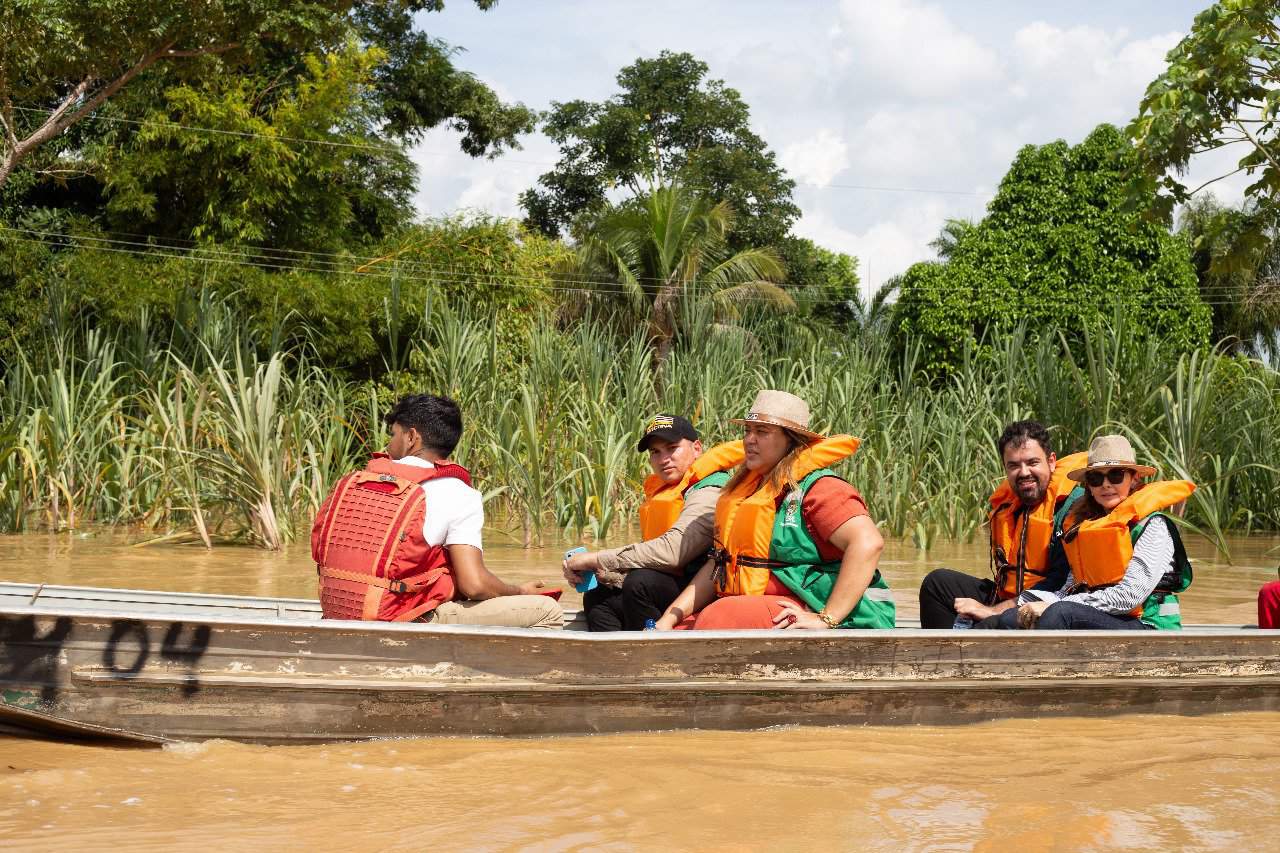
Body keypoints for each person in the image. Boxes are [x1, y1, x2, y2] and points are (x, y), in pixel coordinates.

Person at [311, 394, 562, 628]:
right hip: (400, 619)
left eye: (393, 434)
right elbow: (473, 584)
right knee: (548, 610)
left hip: (337, 611)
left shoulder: (354, 482)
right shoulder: (458, 493)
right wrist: (519, 591)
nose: (389, 444)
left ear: (411, 437)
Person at [653, 390, 894, 630]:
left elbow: (868, 544)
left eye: (762, 432)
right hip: (755, 603)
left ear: (792, 439)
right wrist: (670, 618)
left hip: (818, 608)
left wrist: (826, 618)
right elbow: (719, 565)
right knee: (676, 631)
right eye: (747, 430)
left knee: (720, 616)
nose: (749, 440)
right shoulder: (745, 490)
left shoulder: (822, 488)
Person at [563, 414, 744, 631]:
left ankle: (653, 658)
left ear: (696, 448)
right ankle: (614, 660)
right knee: (600, 592)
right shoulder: (668, 491)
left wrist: (596, 559)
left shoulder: (710, 491)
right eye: (655, 452)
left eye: (672, 448)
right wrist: (606, 573)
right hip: (672, 583)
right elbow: (651, 558)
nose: (663, 459)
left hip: (704, 589)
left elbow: (673, 552)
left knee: (640, 583)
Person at [1003, 434, 1194, 631]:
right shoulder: (1086, 529)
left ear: (1134, 479)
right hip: (1102, 616)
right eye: (1096, 478)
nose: (1106, 484)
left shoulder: (1153, 526)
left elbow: (1129, 596)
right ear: (1089, 486)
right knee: (1010, 618)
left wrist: (1053, 606)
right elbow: (1067, 591)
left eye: (1116, 475)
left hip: (1148, 625)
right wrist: (1024, 602)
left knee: (1059, 613)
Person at [917, 420, 1086, 629]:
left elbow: (1059, 585)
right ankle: (940, 656)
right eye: (1014, 465)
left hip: (1047, 606)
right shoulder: (1011, 505)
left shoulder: (1073, 509)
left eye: (1032, 462)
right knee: (937, 583)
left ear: (1051, 462)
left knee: (989, 625)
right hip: (1009, 597)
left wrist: (991, 611)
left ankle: (962, 654)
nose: (1024, 473)